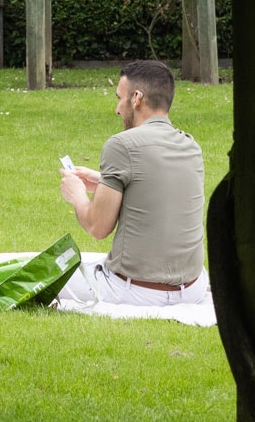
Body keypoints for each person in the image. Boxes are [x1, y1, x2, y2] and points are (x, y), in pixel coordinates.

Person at [57, 59, 209, 306]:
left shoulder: (121, 145)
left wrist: (77, 195)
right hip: (193, 288)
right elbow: (157, 190)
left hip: (135, 291)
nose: (117, 109)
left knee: (47, 272)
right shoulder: (191, 145)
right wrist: (103, 181)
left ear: (137, 98)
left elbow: (98, 227)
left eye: (120, 98)